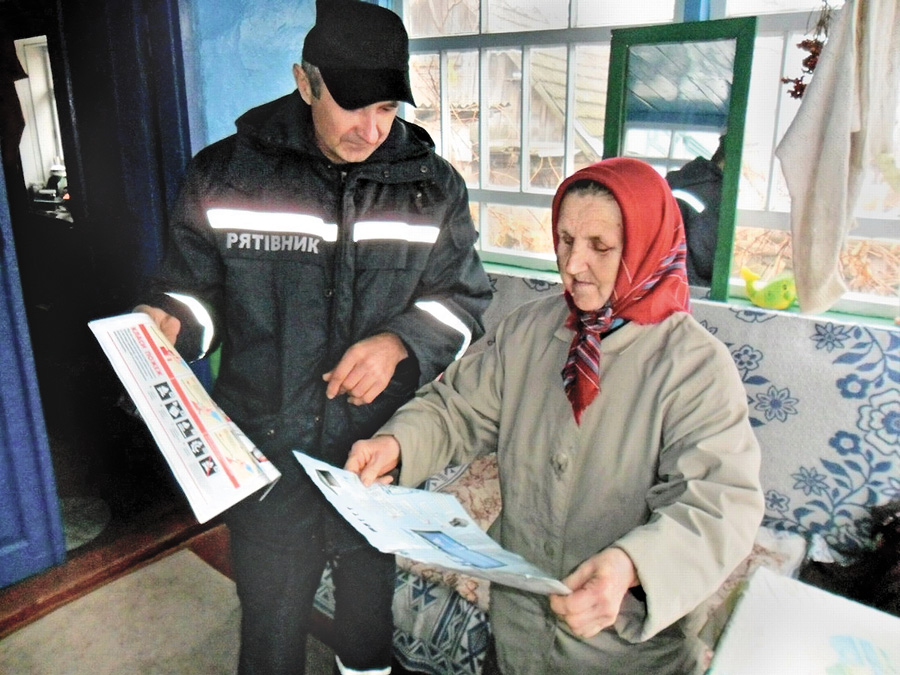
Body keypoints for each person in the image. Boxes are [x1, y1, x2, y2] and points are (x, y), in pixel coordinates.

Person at [134, 0, 492, 673]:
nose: (372, 128)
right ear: (305, 81)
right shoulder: (225, 174)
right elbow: (196, 293)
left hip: (373, 456)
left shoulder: (430, 187)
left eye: (387, 107)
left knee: (365, 627)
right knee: (270, 629)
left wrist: (401, 343)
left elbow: (465, 299)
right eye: (352, 106)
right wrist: (174, 321)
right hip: (267, 450)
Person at [347, 157, 764, 674]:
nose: (572, 265)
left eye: (600, 247)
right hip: (518, 632)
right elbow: (457, 408)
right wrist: (397, 445)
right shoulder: (528, 331)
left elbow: (718, 504)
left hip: (624, 654)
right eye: (565, 240)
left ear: (645, 246)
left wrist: (631, 565)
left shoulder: (692, 367)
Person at [665, 135, 726, 287]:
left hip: (661, 278)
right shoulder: (711, 192)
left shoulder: (683, 180)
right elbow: (706, 257)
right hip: (688, 285)